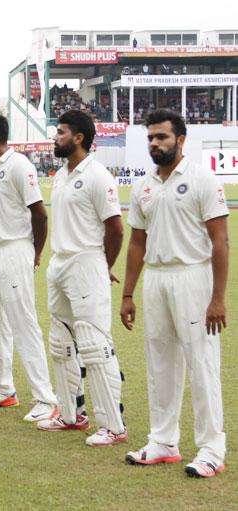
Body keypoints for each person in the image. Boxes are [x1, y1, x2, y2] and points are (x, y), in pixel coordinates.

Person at [122, 110, 229, 478]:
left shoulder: (202, 179)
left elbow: (220, 240)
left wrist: (217, 297)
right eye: (151, 137)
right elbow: (137, 242)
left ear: (180, 140)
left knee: (201, 363)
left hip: (193, 277)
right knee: (160, 363)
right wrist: (128, 294)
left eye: (162, 137)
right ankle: (163, 441)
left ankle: (211, 449)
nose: (155, 143)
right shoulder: (144, 186)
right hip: (157, 279)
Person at [36, 110, 127, 447]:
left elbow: (115, 227)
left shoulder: (97, 175)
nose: (55, 137)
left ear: (78, 137)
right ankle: (71, 415)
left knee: (94, 345)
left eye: (60, 132)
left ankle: (113, 426)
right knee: (61, 342)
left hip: (87, 263)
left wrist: (103, 265)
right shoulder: (61, 175)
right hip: (60, 264)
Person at [0, 115, 58, 420]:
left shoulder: (20, 165)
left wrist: (35, 253)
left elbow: (40, 214)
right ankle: (3, 389)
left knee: (24, 323)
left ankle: (46, 398)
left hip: (14, 249)